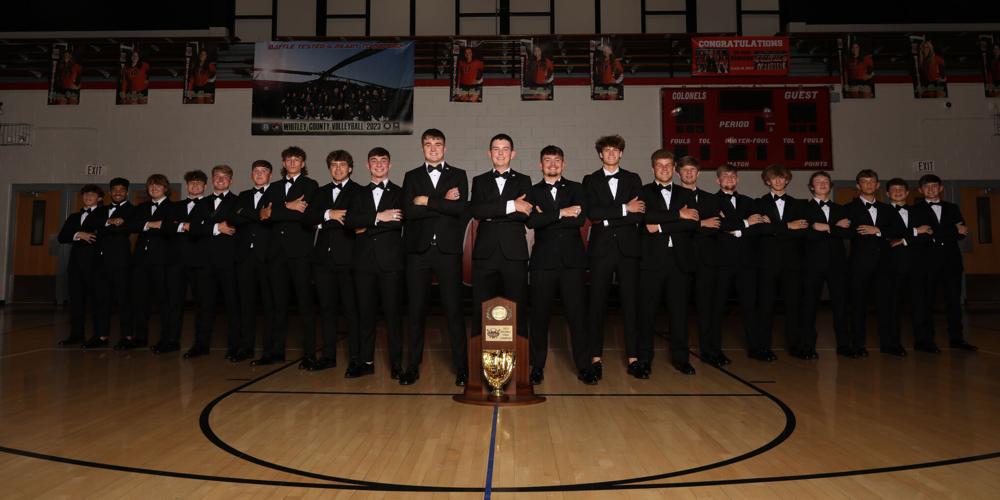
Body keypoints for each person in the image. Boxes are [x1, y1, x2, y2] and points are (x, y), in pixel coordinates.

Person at [401, 129, 469, 386]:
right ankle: (412, 366)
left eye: (437, 144)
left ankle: (461, 368)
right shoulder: (411, 176)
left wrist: (426, 201)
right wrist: (442, 202)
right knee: (416, 311)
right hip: (417, 252)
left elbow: (460, 209)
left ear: (445, 147)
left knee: (453, 311)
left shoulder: (458, 175)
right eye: (428, 144)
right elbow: (409, 212)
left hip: (447, 252)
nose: (433, 148)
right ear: (422, 148)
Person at [469, 134, 533, 387]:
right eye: (496, 149)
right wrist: (510, 206)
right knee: (479, 311)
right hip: (485, 255)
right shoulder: (479, 180)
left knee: (517, 311)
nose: (500, 153)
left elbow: (524, 214)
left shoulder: (524, 180)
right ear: (489, 153)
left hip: (514, 255)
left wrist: (494, 211)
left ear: (513, 153)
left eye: (505, 149)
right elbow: (477, 211)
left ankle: (520, 371)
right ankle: (477, 370)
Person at [525, 145, 591, 384]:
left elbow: (580, 220)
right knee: (540, 317)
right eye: (547, 160)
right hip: (543, 262)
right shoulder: (531, 191)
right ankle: (537, 367)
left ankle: (583, 367)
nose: (552, 164)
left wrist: (548, 216)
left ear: (563, 164)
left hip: (572, 262)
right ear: (540, 164)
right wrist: (562, 212)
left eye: (556, 161)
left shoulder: (577, 188)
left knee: (577, 316)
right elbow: (532, 221)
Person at [582, 135, 645, 379]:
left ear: (621, 153)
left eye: (615, 150)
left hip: (629, 250)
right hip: (601, 250)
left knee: (631, 305)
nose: (610, 154)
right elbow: (592, 213)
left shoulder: (633, 178)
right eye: (606, 150)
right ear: (600, 154)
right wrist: (623, 209)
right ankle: (595, 357)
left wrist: (608, 219)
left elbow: (639, 214)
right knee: (597, 304)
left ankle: (634, 358)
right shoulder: (590, 180)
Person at [255, 146, 319, 366]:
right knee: (276, 305)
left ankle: (310, 354)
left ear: (303, 163)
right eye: (288, 159)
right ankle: (274, 352)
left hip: (300, 253)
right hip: (276, 253)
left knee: (304, 304)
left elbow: (304, 215)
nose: (292, 162)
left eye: (296, 159)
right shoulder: (273, 187)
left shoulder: (311, 185)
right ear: (283, 163)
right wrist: (288, 207)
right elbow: (263, 215)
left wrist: (278, 211)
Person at [345, 148, 405, 379]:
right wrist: (380, 217)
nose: (378, 165)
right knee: (365, 316)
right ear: (367, 166)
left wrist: (365, 227)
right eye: (374, 161)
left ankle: (396, 365)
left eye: (383, 161)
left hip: (391, 263)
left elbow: (398, 222)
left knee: (393, 316)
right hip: (363, 263)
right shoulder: (357, 193)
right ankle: (365, 361)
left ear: (389, 165)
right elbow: (350, 221)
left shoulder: (400, 192)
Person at [639, 150, 700, 375]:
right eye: (659, 165)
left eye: (668, 165)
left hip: (679, 262)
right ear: (653, 168)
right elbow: (646, 219)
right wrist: (678, 215)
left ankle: (681, 359)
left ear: (674, 168)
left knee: (679, 313)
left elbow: (693, 223)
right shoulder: (643, 191)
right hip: (652, 262)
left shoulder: (686, 193)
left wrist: (662, 226)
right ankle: (644, 359)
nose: (664, 169)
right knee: (646, 313)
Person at [304, 150, 362, 372]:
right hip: (322, 261)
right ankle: (328, 357)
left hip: (348, 260)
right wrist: (329, 214)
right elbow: (308, 219)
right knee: (326, 310)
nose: (338, 169)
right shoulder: (320, 192)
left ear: (350, 168)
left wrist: (322, 220)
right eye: (334, 165)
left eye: (342, 165)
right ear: (329, 168)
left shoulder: (358, 191)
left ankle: (355, 359)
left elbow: (353, 220)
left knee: (351, 310)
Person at [912, 174, 977, 352]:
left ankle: (957, 339)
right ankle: (926, 341)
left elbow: (962, 233)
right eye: (927, 186)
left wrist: (936, 233)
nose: (931, 189)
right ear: (920, 190)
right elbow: (921, 234)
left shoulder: (952, 207)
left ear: (941, 188)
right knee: (927, 302)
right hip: (926, 262)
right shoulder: (915, 210)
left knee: (953, 302)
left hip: (951, 261)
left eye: (934, 186)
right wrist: (951, 231)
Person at [710, 165, 764, 365]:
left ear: (738, 179)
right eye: (725, 176)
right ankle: (715, 351)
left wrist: (737, 228)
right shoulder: (711, 201)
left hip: (746, 263)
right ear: (718, 180)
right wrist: (745, 223)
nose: (729, 178)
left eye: (733, 175)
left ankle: (755, 348)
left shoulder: (750, 202)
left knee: (750, 306)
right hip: (721, 263)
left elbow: (758, 227)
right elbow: (717, 227)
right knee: (717, 308)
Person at [754, 165, 808, 362]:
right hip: (767, 263)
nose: (778, 181)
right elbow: (759, 230)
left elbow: (802, 231)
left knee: (794, 306)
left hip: (792, 263)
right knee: (765, 306)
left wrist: (773, 228)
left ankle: (796, 346)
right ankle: (763, 348)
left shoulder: (799, 204)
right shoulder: (758, 203)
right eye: (773, 178)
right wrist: (788, 227)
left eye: (781, 178)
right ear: (767, 181)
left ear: (787, 180)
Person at [187, 165, 241, 359]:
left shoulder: (238, 201)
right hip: (205, 262)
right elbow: (192, 228)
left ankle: (235, 347)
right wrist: (217, 227)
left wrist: (206, 226)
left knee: (233, 306)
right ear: (211, 180)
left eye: (225, 176)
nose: (220, 179)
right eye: (217, 176)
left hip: (229, 262)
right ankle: (200, 345)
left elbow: (236, 226)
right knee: (203, 306)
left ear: (231, 180)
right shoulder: (202, 203)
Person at [844, 169, 899, 358]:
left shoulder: (888, 209)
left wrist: (877, 230)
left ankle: (889, 344)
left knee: (886, 305)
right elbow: (844, 232)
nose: (868, 184)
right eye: (864, 181)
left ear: (877, 185)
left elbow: (897, 232)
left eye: (872, 181)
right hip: (859, 265)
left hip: (884, 265)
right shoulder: (848, 208)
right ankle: (857, 345)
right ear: (858, 186)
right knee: (858, 306)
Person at [799, 171, 852, 359]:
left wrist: (824, 227)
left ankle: (844, 345)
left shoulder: (841, 209)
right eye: (818, 181)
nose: (822, 184)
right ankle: (807, 346)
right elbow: (806, 234)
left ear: (830, 185)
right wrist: (835, 228)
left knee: (840, 305)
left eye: (825, 181)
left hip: (837, 264)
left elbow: (848, 233)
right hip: (812, 264)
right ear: (811, 187)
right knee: (809, 306)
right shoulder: (803, 208)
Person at [676, 156, 723, 367]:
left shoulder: (711, 199)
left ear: (698, 173)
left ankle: (710, 351)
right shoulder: (673, 198)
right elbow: (675, 227)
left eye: (692, 170)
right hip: (680, 259)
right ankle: (681, 356)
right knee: (680, 310)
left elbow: (715, 226)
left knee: (707, 309)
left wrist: (690, 225)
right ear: (678, 173)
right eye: (684, 170)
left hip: (706, 260)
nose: (688, 174)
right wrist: (699, 224)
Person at [882, 178, 933, 356]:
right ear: (887, 193)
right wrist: (915, 232)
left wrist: (903, 239)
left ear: (907, 192)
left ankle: (923, 341)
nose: (897, 191)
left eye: (901, 189)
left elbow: (928, 234)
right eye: (893, 189)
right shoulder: (883, 212)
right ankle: (892, 344)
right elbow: (886, 235)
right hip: (892, 267)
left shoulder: (920, 211)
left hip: (918, 265)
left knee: (920, 304)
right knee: (892, 306)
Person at [231, 161, 275, 362]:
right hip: (244, 257)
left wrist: (245, 214)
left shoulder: (276, 194)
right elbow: (234, 218)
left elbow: (272, 218)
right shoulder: (242, 196)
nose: (259, 174)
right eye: (256, 171)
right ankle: (245, 347)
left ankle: (269, 350)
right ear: (251, 175)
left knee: (269, 305)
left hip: (267, 257)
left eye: (263, 171)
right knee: (245, 304)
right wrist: (259, 214)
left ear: (270, 174)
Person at [160, 170, 207, 356]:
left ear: (204, 186)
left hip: (200, 261)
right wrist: (184, 227)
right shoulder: (174, 206)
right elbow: (166, 227)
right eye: (191, 183)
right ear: (186, 186)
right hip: (176, 261)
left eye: (198, 183)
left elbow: (204, 229)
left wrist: (181, 226)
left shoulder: (210, 204)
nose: (195, 186)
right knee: (174, 302)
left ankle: (200, 344)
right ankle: (171, 340)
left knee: (201, 304)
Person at [126, 174, 173, 351]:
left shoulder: (172, 207)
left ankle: (165, 339)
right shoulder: (141, 207)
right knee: (140, 300)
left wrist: (144, 224)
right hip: (140, 261)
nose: (154, 189)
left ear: (165, 189)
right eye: (151, 186)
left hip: (162, 261)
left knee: (163, 301)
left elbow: (169, 227)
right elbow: (131, 225)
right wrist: (150, 225)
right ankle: (140, 337)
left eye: (158, 186)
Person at [87, 177, 135, 348]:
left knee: (124, 300)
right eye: (115, 190)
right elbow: (91, 224)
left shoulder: (131, 210)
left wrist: (104, 228)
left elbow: (124, 229)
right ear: (109, 193)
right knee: (101, 300)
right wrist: (109, 222)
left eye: (122, 190)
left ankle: (127, 337)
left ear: (127, 192)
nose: (118, 193)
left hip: (121, 262)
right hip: (101, 262)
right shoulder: (101, 210)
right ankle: (101, 336)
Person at [56, 184, 107, 345]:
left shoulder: (104, 214)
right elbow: (62, 237)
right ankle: (76, 334)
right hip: (75, 265)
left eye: (92, 194)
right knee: (76, 301)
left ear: (99, 198)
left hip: (96, 264)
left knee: (97, 301)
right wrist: (79, 234)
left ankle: (99, 336)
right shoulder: (73, 216)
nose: (88, 196)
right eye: (85, 194)